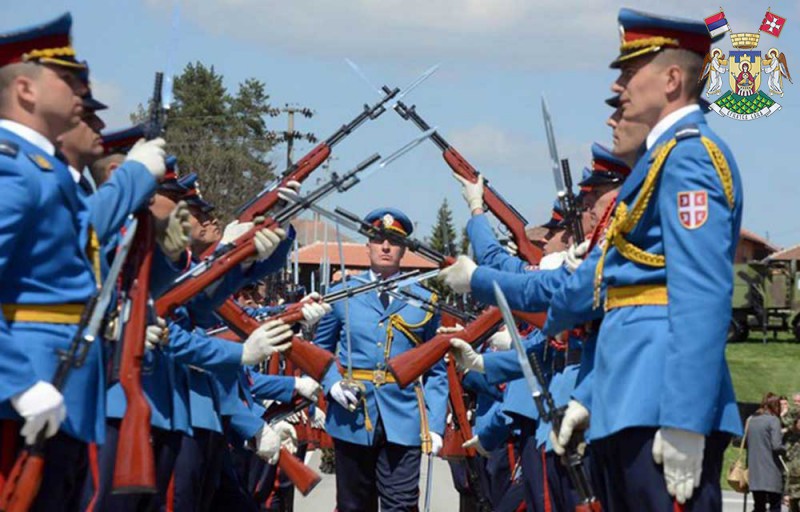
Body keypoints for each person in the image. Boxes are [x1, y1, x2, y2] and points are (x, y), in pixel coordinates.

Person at [314, 207, 447, 512]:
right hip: (353, 416)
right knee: (352, 506)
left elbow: (436, 369)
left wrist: (436, 424)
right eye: (378, 240)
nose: (385, 247)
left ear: (403, 250)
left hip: (404, 417)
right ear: (368, 246)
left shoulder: (424, 301)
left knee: (401, 505)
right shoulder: (342, 294)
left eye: (393, 241)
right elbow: (319, 353)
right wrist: (332, 384)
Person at [747, 394, 785, 512]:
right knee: (775, 505)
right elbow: (776, 446)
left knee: (759, 506)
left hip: (755, 471)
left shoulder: (752, 420)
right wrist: (787, 448)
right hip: (771, 471)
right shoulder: (773, 421)